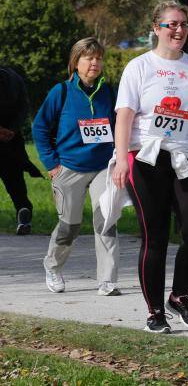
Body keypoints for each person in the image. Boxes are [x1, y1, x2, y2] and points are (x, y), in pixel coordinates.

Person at [110, 0, 188, 334]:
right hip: (145, 158)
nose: (179, 30)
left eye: (184, 24)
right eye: (172, 24)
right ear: (156, 28)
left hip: (187, 158)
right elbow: (124, 116)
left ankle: (179, 295)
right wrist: (121, 158)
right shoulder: (139, 67)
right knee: (156, 236)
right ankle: (155, 311)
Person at [32, 38, 120, 296]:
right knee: (69, 225)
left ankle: (107, 280)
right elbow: (39, 127)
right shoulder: (60, 92)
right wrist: (51, 164)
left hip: (103, 167)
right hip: (69, 167)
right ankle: (53, 266)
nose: (94, 63)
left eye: (98, 58)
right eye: (88, 58)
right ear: (75, 62)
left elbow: (121, 126)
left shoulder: (109, 92)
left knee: (106, 221)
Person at [0, 66, 43, 235]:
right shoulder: (13, 77)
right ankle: (23, 211)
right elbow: (24, 107)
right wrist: (12, 129)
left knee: (14, 179)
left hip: (8, 135)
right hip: (11, 139)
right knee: (15, 181)